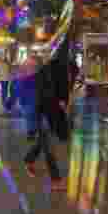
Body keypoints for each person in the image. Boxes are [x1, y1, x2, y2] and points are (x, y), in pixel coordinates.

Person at [24, 50, 69, 190]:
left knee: (43, 142)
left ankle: (29, 159)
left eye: (32, 65)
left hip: (44, 114)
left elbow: (48, 94)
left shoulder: (42, 74)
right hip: (41, 115)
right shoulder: (35, 76)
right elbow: (38, 98)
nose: (30, 67)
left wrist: (60, 102)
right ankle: (56, 181)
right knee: (49, 148)